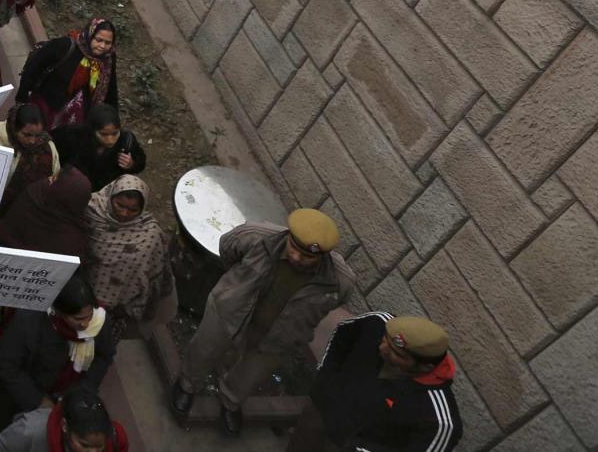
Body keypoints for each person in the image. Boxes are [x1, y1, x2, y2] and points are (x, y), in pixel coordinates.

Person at [171, 209, 351, 438]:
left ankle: (231, 400)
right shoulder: (256, 236)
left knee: (252, 371)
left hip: (280, 333)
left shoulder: (340, 280)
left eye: (308, 256)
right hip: (231, 311)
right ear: (288, 235)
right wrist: (236, 287)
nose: (297, 257)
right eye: (294, 248)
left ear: (323, 256)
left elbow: (334, 302)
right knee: (206, 347)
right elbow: (228, 249)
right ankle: (187, 383)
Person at [294, 313, 461, 452]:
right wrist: (323, 387)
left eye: (396, 354)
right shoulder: (376, 323)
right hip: (319, 418)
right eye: (384, 340)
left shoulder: (439, 422)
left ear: (425, 367)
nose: (382, 349)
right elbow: (342, 335)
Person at [0, 276, 118, 430]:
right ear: (59, 312)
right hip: (19, 396)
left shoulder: (99, 322)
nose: (86, 324)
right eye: (77, 319)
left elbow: (104, 356)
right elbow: (6, 365)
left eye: (89, 316)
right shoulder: (29, 321)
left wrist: (82, 391)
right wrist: (38, 400)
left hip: (70, 394)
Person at [83, 175, 166, 324]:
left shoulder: (150, 234)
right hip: (84, 289)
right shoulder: (92, 211)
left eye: (133, 210)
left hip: (118, 305)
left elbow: (152, 269)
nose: (124, 213)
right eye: (120, 205)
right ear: (111, 196)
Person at [17, 17, 117, 130]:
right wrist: (21, 100)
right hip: (45, 109)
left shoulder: (107, 60)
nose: (102, 46)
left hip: (73, 122)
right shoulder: (65, 46)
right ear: (90, 35)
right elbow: (33, 67)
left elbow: (111, 90)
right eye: (98, 40)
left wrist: (112, 121)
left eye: (108, 43)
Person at [0, 388, 129, 452]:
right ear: (65, 426)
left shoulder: (117, 437)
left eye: (99, 447)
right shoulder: (30, 431)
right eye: (84, 445)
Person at [51, 105, 146, 193]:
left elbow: (140, 162)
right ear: (92, 129)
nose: (110, 140)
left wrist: (132, 164)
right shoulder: (72, 137)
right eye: (104, 134)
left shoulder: (126, 141)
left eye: (115, 133)